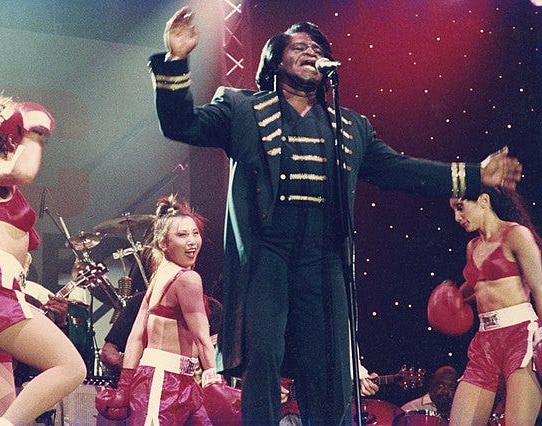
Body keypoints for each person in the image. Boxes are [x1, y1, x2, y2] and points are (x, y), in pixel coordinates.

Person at [147, 7, 524, 425]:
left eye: (318, 48)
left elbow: (401, 170)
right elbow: (180, 124)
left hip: (324, 259)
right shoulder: (241, 108)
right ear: (275, 60)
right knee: (264, 356)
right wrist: (176, 60)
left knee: (326, 366)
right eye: (299, 46)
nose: (311, 51)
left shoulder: (351, 126)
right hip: (266, 254)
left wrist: (474, 175)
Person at [0, 95, 87, 425]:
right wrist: (35, 132)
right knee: (71, 367)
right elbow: (22, 170)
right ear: (13, 134)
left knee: (2, 418)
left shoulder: (2, 187)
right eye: (27, 134)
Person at [97, 195, 222, 424]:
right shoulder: (188, 279)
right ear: (164, 243)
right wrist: (215, 382)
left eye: (195, 233)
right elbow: (203, 340)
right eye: (182, 235)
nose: (192, 241)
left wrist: (126, 384)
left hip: (176, 380)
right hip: (163, 382)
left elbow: (136, 335)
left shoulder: (161, 273)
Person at [445, 187, 542, 425]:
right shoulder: (472, 247)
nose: (457, 217)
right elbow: (478, 284)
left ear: (483, 201)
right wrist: (453, 298)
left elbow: (540, 288)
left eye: (460, 207)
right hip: (485, 342)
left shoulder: (516, 235)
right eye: (454, 211)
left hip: (520, 338)